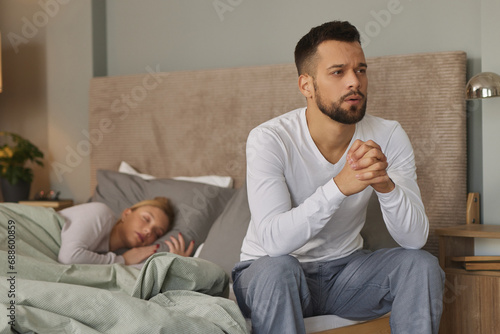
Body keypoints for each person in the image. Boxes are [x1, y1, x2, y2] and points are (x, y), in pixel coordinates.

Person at [232, 21, 444, 334]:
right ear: (306, 85)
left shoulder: (388, 134)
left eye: (361, 70)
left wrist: (386, 186)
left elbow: (414, 240)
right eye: (338, 72)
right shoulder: (269, 139)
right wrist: (339, 187)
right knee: (279, 269)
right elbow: (275, 242)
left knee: (422, 265)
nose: (354, 82)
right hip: (269, 273)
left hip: (346, 274)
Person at [58, 197, 194, 265]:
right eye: (146, 219)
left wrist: (176, 264)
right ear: (126, 213)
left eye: (157, 233)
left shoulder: (111, 255)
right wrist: (122, 260)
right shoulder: (101, 213)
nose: (148, 231)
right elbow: (68, 257)